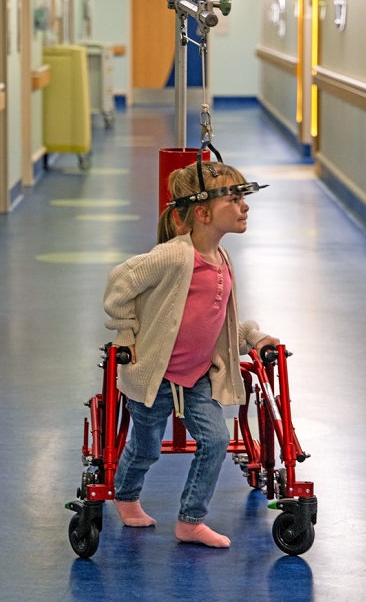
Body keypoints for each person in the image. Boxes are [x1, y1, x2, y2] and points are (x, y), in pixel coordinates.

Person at [103, 161, 279, 548]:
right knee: (146, 447)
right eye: (233, 199)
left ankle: (191, 520)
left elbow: (222, 317)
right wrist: (126, 332)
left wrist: (254, 336)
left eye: (242, 198)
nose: (243, 206)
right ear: (202, 213)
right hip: (155, 373)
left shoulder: (223, 259)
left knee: (216, 440)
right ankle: (126, 495)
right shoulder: (174, 255)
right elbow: (121, 280)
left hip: (198, 374)